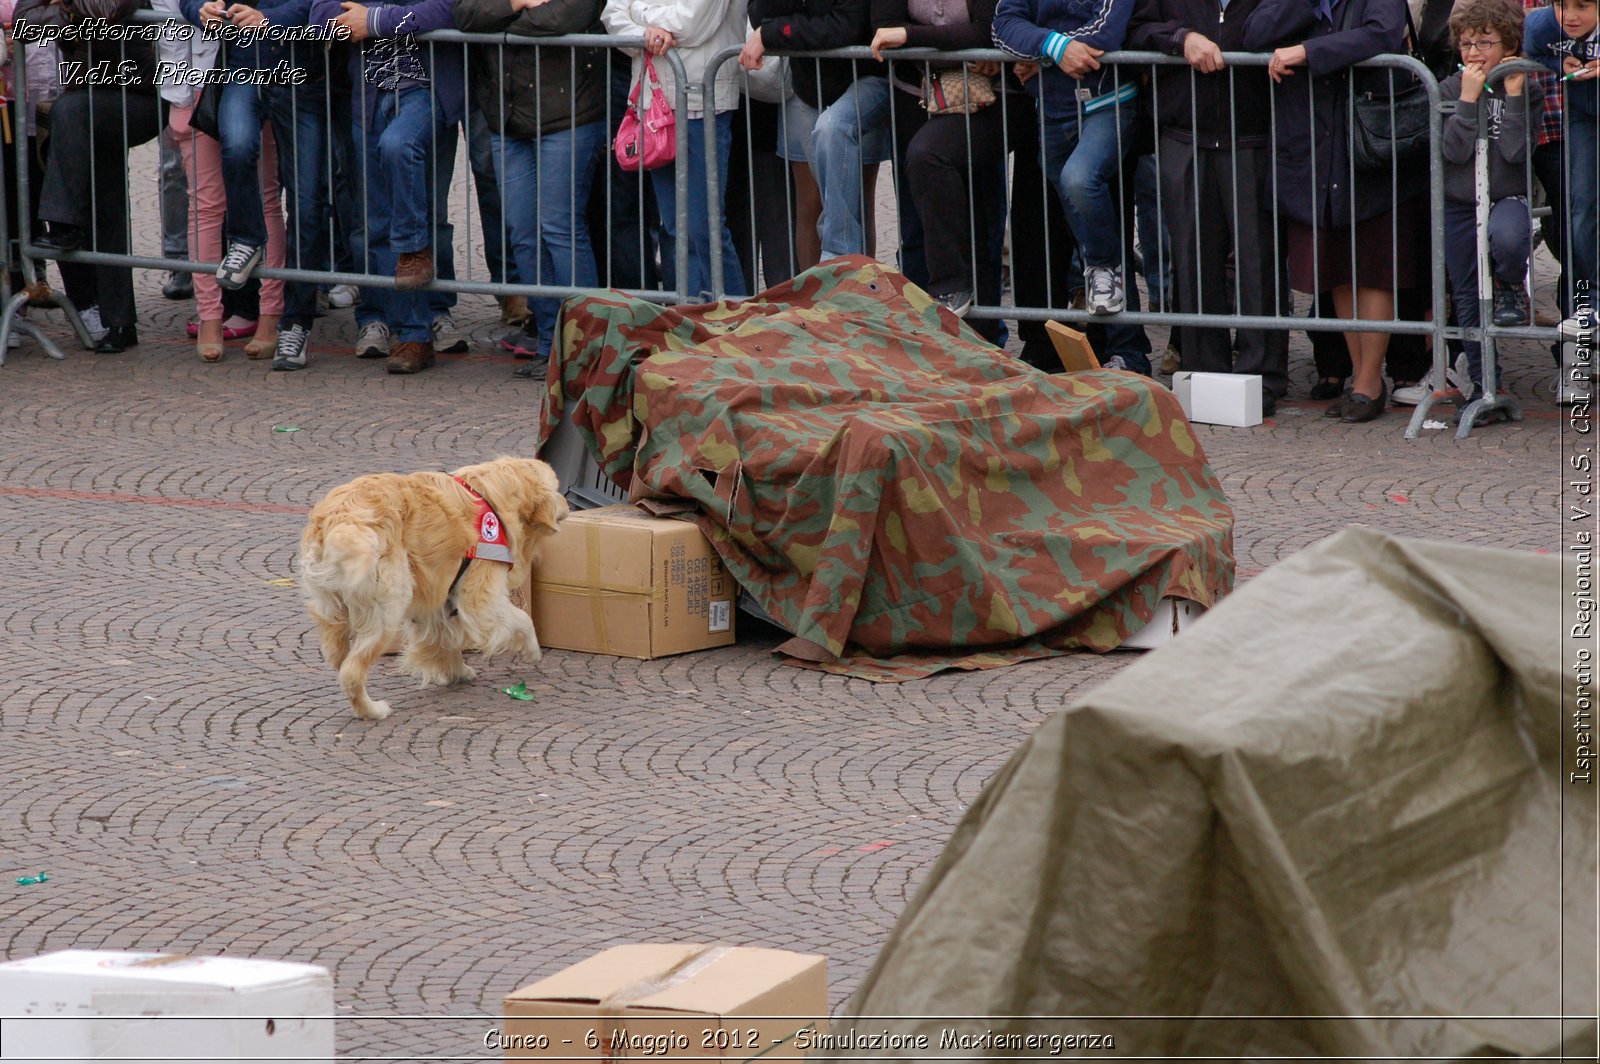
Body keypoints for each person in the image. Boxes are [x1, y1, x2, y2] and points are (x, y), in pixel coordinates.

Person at [1245, 0, 1424, 422]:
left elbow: (1380, 33)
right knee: (1338, 267)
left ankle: (1368, 381)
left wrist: (1305, 52)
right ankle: (1362, 376)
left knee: (1374, 266)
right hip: (1312, 145)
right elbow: (1254, 33)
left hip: (1366, 143)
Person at [1128, 0, 1289, 412]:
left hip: (1254, 133)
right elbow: (1138, 27)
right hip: (1184, 131)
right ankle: (1202, 369)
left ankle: (1264, 374)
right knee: (1193, 257)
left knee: (1259, 260)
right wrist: (1181, 38)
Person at [994, 0, 1153, 373]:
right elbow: (1004, 24)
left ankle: (1103, 277)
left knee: (1079, 182)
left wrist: (1040, 52)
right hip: (1051, 111)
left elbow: (1105, 35)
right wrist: (1054, 47)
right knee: (1088, 228)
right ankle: (1128, 349)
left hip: (1107, 103)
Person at [314, 0, 463, 374]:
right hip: (368, 96)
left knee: (399, 147)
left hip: (426, 91)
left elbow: (448, 9)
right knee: (376, 219)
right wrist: (361, 19)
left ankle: (419, 313)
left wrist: (375, 19)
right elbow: (319, 15)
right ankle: (409, 332)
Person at [183, 0, 333, 371]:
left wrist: (270, 19)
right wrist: (199, 9)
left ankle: (296, 324)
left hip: (303, 76)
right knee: (235, 146)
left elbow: (324, 6)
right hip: (244, 69)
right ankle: (247, 239)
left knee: (309, 203)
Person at [461, 0, 607, 377]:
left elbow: (566, 16)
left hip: (569, 112)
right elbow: (464, 14)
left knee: (561, 229)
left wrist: (500, 26)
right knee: (524, 234)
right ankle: (548, 344)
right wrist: (517, 3)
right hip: (507, 117)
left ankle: (584, 350)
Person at [1412, 0, 1540, 413]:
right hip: (1458, 202)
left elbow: (1517, 152)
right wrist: (1467, 102)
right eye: (1467, 43)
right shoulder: (1449, 89)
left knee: (1508, 238)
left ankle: (1508, 283)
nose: (1474, 52)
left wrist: (1516, 97)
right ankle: (1486, 386)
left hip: (1505, 195)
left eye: (1486, 42)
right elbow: (1452, 151)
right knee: (1466, 294)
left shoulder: (1526, 85)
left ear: (1510, 44)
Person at [28, 0, 161, 354]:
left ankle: (61, 223)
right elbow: (27, 14)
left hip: (143, 93)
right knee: (106, 198)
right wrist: (69, 14)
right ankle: (118, 322)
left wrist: (64, 9)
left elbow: (104, 6)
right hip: (90, 98)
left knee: (69, 111)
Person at [157, 0, 287, 361]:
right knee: (205, 206)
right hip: (193, 81)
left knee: (266, 200)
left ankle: (270, 315)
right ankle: (210, 316)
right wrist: (198, 8)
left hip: (255, 77)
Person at [871, 0, 1007, 327]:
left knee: (983, 223)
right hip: (912, 96)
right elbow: (883, 29)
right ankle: (924, 332)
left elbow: (985, 31)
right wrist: (957, 49)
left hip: (986, 99)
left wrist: (909, 36)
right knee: (916, 227)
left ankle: (986, 335)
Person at [744, 0, 885, 265]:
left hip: (861, 77)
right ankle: (813, 297)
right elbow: (758, 13)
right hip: (807, 84)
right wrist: (778, 27)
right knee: (809, 203)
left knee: (856, 202)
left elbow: (846, 26)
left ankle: (860, 289)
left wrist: (775, 31)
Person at [1525, 0, 1598, 372]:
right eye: (1561, 5)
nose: (1570, 16)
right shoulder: (1541, 24)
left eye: (1582, 6)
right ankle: (1590, 311)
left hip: (1578, 116)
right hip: (1576, 119)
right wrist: (1558, 63)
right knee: (1580, 211)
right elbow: (1527, 46)